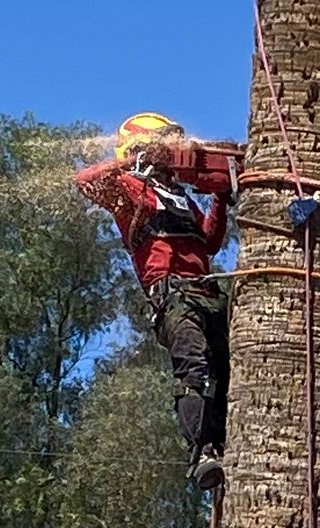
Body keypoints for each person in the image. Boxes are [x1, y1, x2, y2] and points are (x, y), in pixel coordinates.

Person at [69, 112, 240, 490]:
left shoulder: (178, 197)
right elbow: (86, 182)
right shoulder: (130, 189)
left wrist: (220, 199)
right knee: (195, 370)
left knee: (227, 375)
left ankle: (229, 444)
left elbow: (208, 242)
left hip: (209, 292)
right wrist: (133, 162)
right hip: (173, 294)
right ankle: (203, 453)